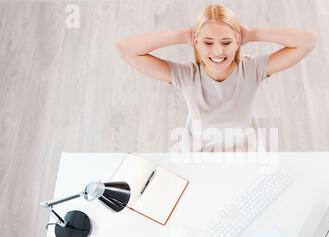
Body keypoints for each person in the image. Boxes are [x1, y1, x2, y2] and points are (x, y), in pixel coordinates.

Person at [116, 4, 317, 152]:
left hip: (244, 154)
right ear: (196, 42)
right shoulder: (187, 76)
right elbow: (125, 50)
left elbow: (308, 42)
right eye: (208, 42)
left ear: (238, 42)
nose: (218, 51)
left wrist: (252, 33)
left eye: (227, 42)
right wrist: (180, 35)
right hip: (200, 156)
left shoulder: (251, 70)